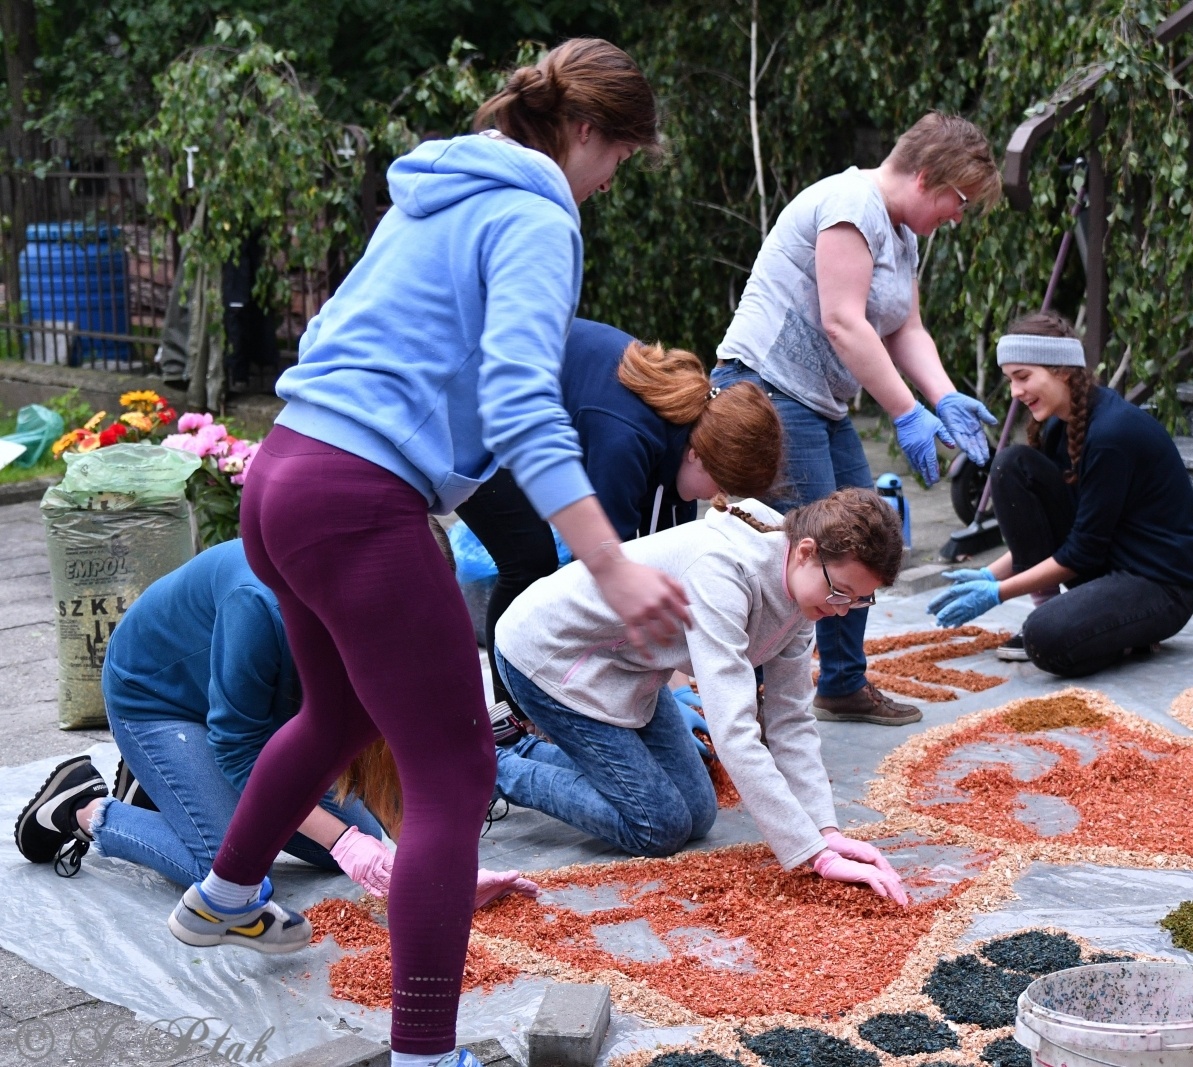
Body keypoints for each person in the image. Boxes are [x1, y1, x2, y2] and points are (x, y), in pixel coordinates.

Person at [162, 41, 678, 1067]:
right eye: (620, 156)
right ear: (586, 132)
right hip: (358, 496)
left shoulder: (434, 192)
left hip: (282, 473)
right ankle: (427, 1055)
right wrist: (612, 564)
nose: (613, 180)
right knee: (456, 773)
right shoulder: (535, 212)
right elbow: (524, 406)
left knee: (339, 712)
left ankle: (222, 893)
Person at [13, 538, 535, 906]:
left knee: (359, 839)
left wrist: (446, 872)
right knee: (235, 871)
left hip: (245, 715)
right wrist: (344, 842)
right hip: (160, 700)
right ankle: (82, 806)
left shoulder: (383, 609)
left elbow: (389, 746)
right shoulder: (260, 603)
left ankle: (161, 786)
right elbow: (240, 754)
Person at [712, 111, 1002, 727]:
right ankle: (752, 704)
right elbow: (844, 320)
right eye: (959, 200)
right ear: (926, 178)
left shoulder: (904, 235)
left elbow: (905, 327)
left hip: (819, 398)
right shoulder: (850, 205)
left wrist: (944, 397)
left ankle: (842, 685)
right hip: (768, 389)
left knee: (868, 537)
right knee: (801, 551)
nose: (958, 215)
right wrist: (906, 413)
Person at [490, 488, 909, 904]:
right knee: (657, 827)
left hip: (625, 667)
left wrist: (825, 831)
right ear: (805, 551)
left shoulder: (806, 596)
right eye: (840, 593)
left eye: (857, 601)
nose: (841, 609)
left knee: (698, 813)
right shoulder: (721, 571)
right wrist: (814, 856)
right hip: (549, 657)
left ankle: (523, 745)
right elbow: (734, 732)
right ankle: (491, 767)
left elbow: (791, 721)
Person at [457, 318, 782, 714]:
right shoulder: (625, 441)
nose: (715, 497)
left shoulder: (686, 436)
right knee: (529, 560)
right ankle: (517, 720)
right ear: (697, 454)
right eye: (719, 485)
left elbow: (659, 572)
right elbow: (592, 585)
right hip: (467, 405)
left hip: (530, 410)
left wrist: (675, 686)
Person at [929, 311, 1193, 676]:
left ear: (1061, 370)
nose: (1015, 392)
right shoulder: (1060, 425)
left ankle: (1112, 630)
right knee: (1011, 464)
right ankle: (1062, 614)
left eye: (1023, 377)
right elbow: (1058, 531)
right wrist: (988, 575)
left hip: (1160, 586)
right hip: (1111, 563)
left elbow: (1082, 551)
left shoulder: (1111, 434)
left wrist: (999, 592)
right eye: (1010, 379)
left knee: (1045, 641)